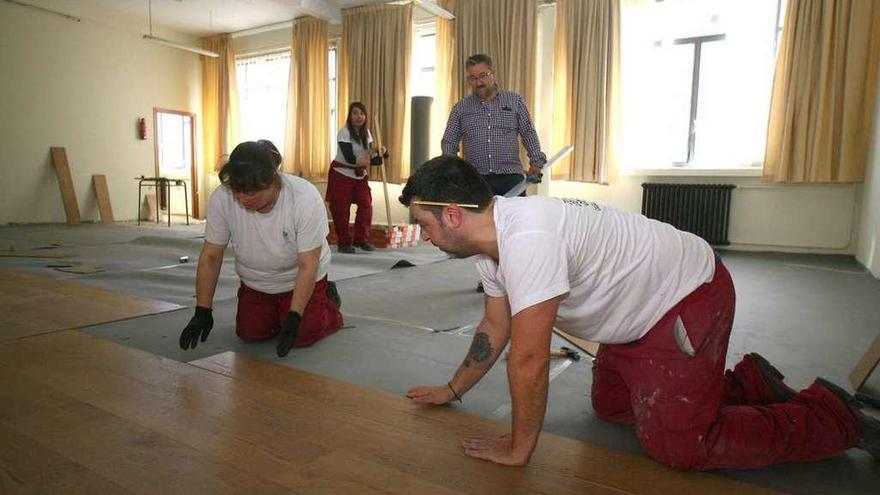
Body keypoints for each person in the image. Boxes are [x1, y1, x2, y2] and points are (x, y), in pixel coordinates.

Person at [399, 155, 879, 469]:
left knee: (680, 446)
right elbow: (495, 326)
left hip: (686, 297)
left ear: (454, 214)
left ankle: (831, 416)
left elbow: (529, 359)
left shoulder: (527, 239)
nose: (423, 235)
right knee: (613, 407)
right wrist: (452, 389)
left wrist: (519, 447)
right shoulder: (491, 248)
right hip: (633, 315)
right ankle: (750, 384)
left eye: (423, 224)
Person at [179, 140, 343, 358]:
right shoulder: (223, 197)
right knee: (250, 334)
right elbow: (211, 256)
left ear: (273, 181)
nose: (244, 198)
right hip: (257, 281)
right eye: (238, 191)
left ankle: (328, 304)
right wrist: (202, 310)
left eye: (252, 192)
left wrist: (295, 318)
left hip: (300, 277)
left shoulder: (303, 198)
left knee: (303, 335)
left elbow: (307, 264)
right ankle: (280, 311)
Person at [441, 53, 547, 197]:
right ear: (469, 80)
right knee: (478, 220)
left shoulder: (514, 101)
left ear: (493, 74)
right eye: (473, 78)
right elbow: (449, 141)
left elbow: (528, 132)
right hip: (476, 180)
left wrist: (536, 163)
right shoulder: (461, 108)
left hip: (511, 179)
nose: (479, 82)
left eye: (483, 75)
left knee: (512, 219)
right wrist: (454, 169)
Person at [327, 102, 386, 254]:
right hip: (342, 174)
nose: (359, 116)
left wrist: (380, 151)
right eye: (355, 113)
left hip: (359, 175)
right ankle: (344, 242)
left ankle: (361, 240)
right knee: (341, 210)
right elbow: (350, 158)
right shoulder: (344, 133)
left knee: (366, 205)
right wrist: (372, 161)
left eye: (361, 113)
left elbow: (367, 152)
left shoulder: (366, 133)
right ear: (350, 116)